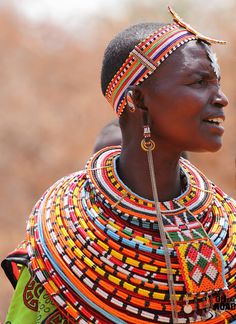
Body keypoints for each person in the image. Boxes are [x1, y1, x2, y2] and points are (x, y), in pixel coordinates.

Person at [2, 6, 236, 324]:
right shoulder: (64, 235)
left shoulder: (227, 226)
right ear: (138, 100)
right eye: (199, 82)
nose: (220, 97)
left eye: (217, 83)